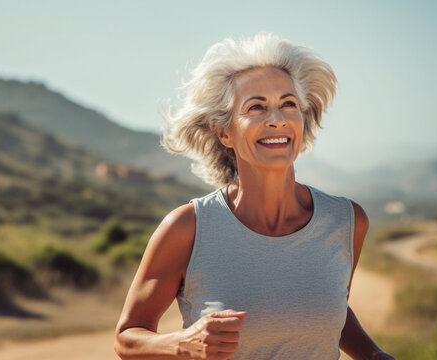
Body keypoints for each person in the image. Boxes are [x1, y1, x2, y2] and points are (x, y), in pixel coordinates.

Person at [114, 32, 394, 359]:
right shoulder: (188, 228)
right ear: (225, 132)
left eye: (288, 104)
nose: (276, 119)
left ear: (302, 120)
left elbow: (327, 310)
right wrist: (182, 343)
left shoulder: (346, 221)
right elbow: (127, 337)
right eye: (256, 107)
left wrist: (373, 354)